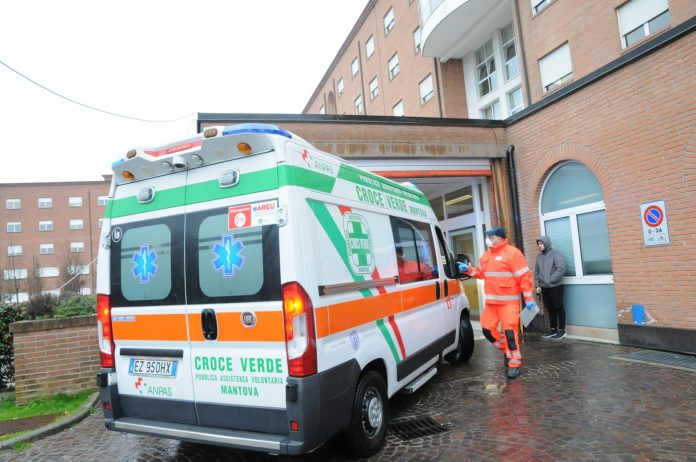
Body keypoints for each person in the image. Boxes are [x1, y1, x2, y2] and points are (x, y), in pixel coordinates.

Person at [458, 227, 536, 379]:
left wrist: (529, 299)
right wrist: (468, 270)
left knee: (510, 333)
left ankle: (514, 362)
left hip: (509, 303)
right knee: (487, 330)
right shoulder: (486, 256)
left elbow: (524, 277)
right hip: (492, 303)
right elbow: (481, 273)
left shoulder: (513, 253)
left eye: (491, 236)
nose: (488, 239)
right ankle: (507, 351)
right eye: (487, 237)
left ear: (499, 238)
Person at [534, 236, 567, 340]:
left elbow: (561, 269)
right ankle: (553, 329)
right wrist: (537, 285)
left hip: (556, 286)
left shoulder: (556, 254)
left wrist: (550, 280)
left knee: (558, 307)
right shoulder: (539, 257)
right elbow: (536, 272)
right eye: (538, 244)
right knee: (549, 308)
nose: (539, 246)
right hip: (544, 287)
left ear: (546, 243)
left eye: (541, 244)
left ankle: (561, 330)